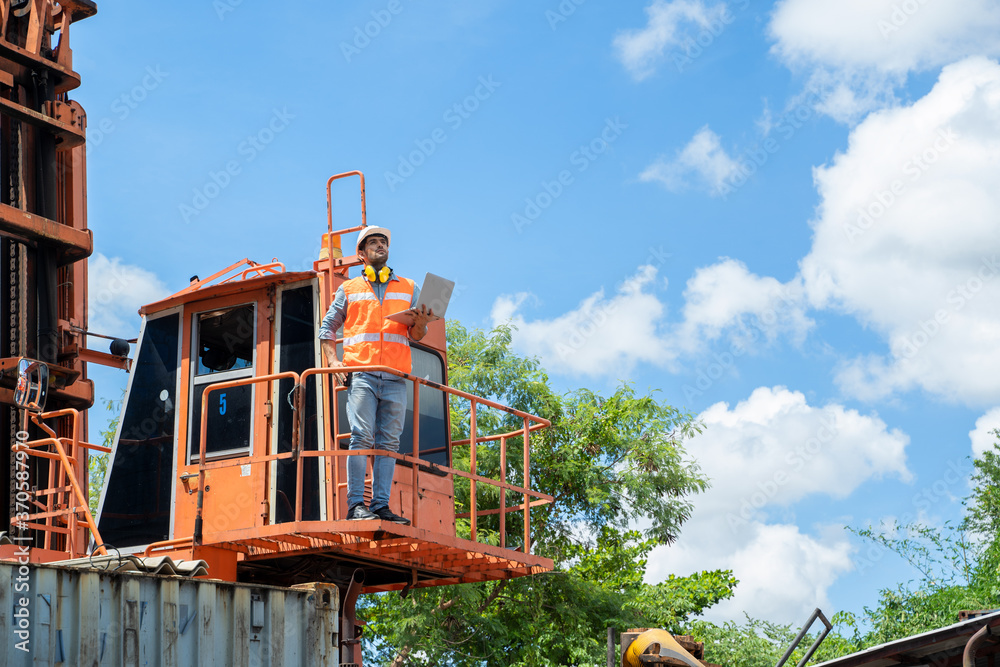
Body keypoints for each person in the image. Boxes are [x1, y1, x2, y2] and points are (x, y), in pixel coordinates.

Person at [318, 226, 433, 524]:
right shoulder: (349, 289)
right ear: (361, 254)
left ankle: (380, 506)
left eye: (384, 242)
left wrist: (420, 323)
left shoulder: (409, 287)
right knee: (361, 436)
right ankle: (357, 505)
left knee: (389, 444)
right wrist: (333, 362)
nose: (380, 246)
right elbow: (326, 329)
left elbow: (418, 335)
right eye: (373, 242)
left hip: (395, 377)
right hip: (363, 376)